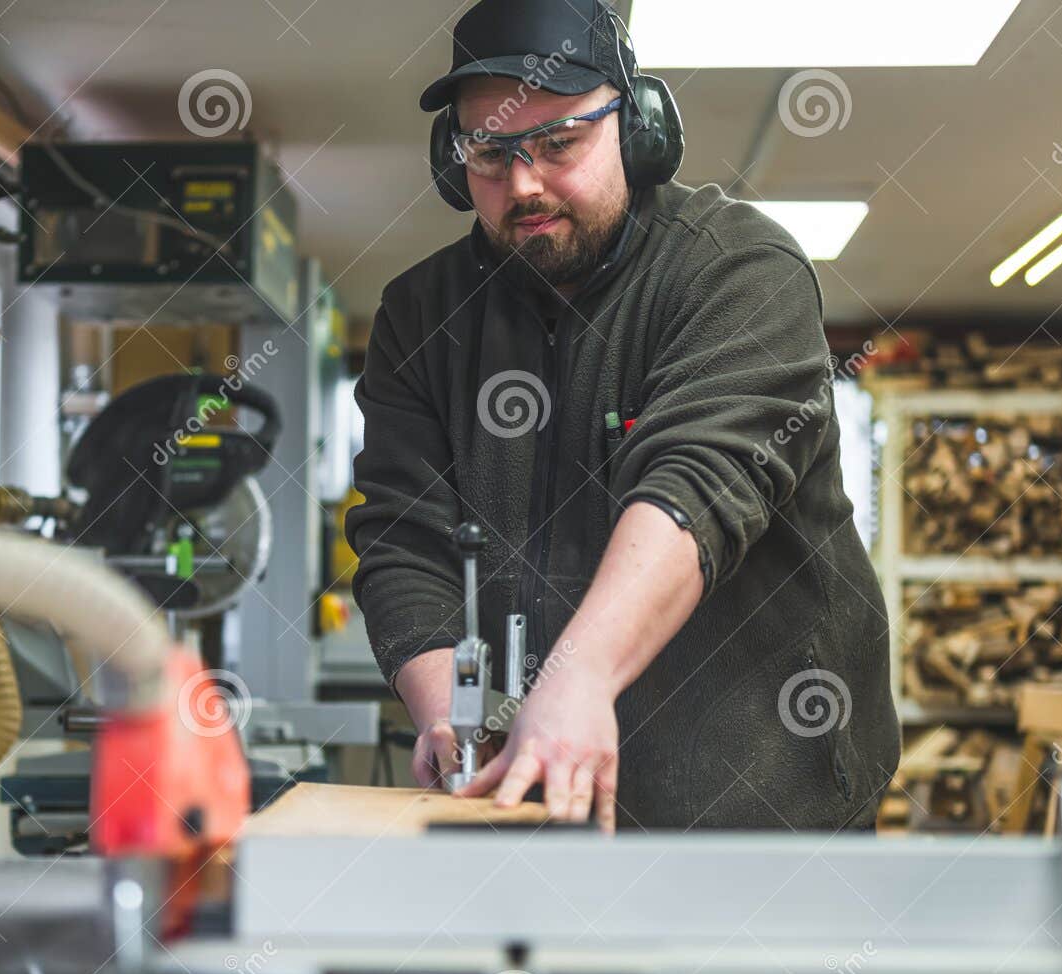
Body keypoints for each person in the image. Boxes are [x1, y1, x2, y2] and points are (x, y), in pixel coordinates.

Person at [345, 0, 899, 832]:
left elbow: (700, 483)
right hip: (540, 800)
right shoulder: (421, 317)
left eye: (559, 144)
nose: (523, 184)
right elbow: (402, 537)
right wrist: (447, 711)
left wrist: (577, 679)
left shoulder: (741, 271)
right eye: (489, 153)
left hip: (770, 798)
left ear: (638, 129)